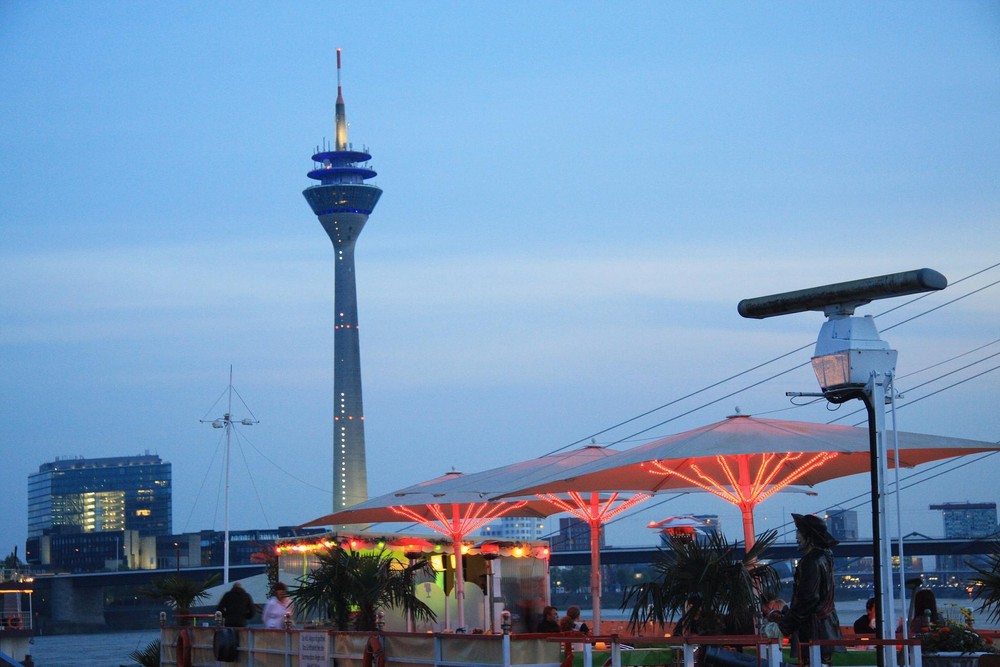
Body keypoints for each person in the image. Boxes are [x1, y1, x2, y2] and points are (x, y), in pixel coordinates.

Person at [776, 513, 842, 666]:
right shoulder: (826, 557)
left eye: (799, 533)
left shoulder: (810, 561)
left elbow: (808, 598)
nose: (797, 537)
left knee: (810, 662)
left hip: (812, 629)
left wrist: (783, 626)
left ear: (809, 536)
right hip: (826, 627)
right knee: (823, 663)